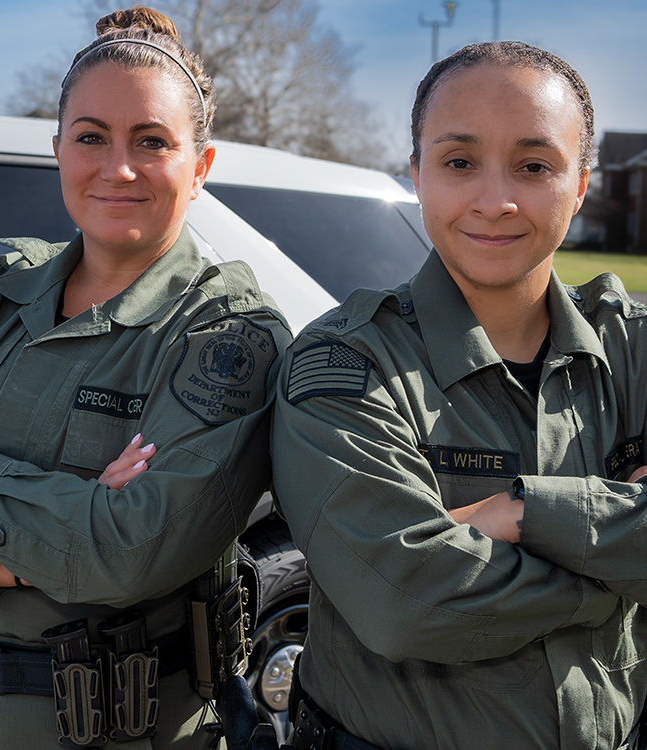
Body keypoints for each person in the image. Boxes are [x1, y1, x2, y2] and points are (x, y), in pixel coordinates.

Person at [0, 6, 291, 749]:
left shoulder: (226, 334)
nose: (118, 167)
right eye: (91, 138)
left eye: (152, 141)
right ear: (57, 150)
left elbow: (126, 553)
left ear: (201, 166)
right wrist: (34, 543)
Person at [272, 41, 647, 750]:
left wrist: (524, 511)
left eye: (535, 166)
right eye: (458, 162)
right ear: (416, 174)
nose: (495, 200)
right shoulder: (346, 361)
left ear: (583, 183)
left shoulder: (634, 351)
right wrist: (618, 569)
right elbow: (402, 601)